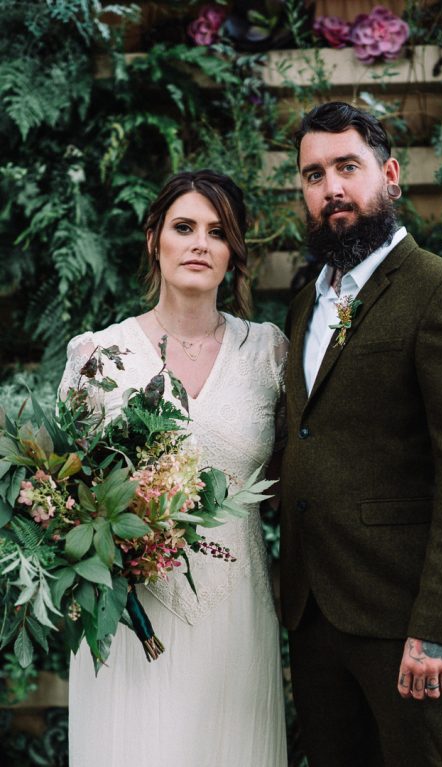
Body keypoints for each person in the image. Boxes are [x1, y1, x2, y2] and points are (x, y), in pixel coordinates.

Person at [279, 101, 442, 767]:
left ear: (391, 173)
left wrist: (437, 627)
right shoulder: (304, 303)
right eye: (314, 175)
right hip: (314, 614)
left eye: (348, 166)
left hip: (406, 619)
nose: (333, 188)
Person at [59, 170, 288, 767]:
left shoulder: (268, 353)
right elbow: (62, 493)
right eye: (183, 227)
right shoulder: (97, 355)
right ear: (154, 238)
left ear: (234, 253)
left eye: (217, 232)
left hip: (237, 614)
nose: (199, 244)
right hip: (131, 615)